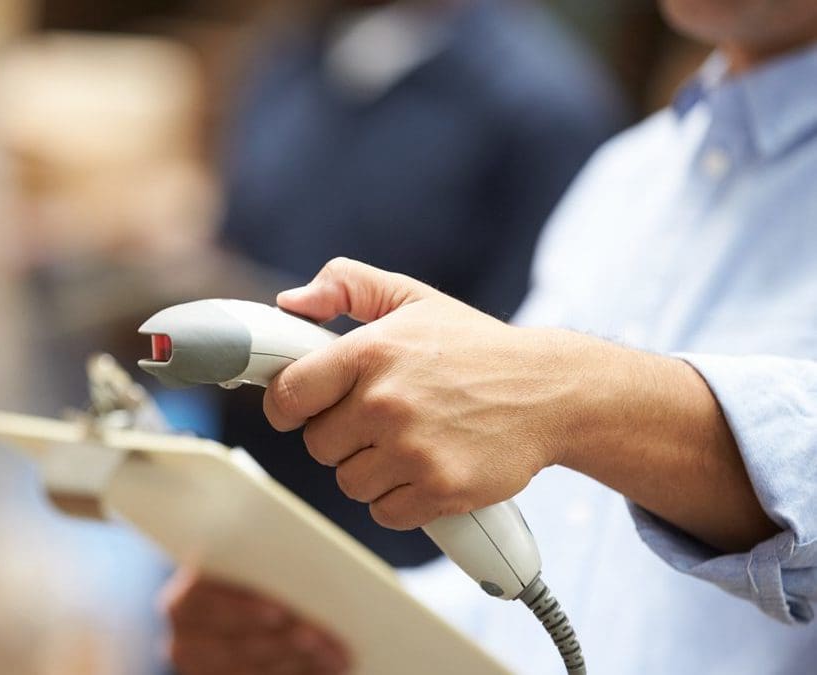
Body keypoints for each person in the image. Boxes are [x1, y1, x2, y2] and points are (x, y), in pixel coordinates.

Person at [164, 0, 817, 672]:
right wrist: (332, 629)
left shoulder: (543, 107)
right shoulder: (626, 182)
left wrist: (573, 394)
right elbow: (559, 580)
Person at [217, 0, 623, 567]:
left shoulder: (542, 109)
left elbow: (530, 376)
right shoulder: (290, 63)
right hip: (246, 506)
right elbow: (241, 231)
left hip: (413, 550)